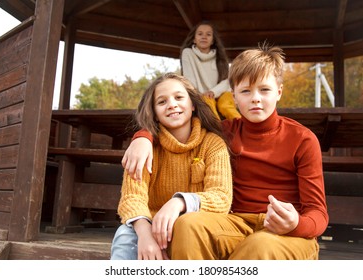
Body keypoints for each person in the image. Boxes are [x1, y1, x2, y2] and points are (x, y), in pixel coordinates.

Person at [120, 43, 329, 260]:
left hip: (288, 234)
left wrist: (296, 224)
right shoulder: (225, 131)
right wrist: (142, 137)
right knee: (187, 224)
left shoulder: (303, 139)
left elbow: (318, 214)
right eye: (246, 91)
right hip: (235, 225)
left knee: (260, 245)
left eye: (264, 90)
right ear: (234, 96)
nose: (255, 98)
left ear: (279, 92)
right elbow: (178, 122)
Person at [110, 73, 233, 260]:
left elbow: (221, 197)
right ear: (155, 113)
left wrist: (178, 202)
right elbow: (131, 198)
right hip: (151, 225)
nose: (172, 104)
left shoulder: (213, 144)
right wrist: (145, 234)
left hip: (196, 224)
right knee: (125, 236)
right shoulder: (145, 148)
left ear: (192, 105)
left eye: (179, 97)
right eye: (162, 102)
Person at [180, 21, 240, 120]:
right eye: (200, 34)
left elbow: (227, 80)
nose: (204, 37)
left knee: (225, 106)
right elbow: (189, 80)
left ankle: (243, 126)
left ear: (212, 40)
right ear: (194, 39)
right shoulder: (188, 53)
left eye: (208, 34)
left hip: (222, 92)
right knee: (208, 104)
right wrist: (201, 95)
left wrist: (213, 91)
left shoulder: (220, 57)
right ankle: (218, 132)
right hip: (202, 95)